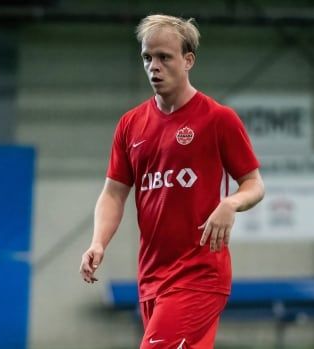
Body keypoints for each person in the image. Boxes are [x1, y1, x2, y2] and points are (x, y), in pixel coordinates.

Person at [80, 14, 265, 349]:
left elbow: (254, 184)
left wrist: (230, 203)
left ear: (188, 60)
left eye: (164, 57)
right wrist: (98, 242)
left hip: (199, 275)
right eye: (147, 58)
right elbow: (114, 193)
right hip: (151, 277)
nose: (154, 66)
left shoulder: (218, 119)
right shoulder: (130, 125)